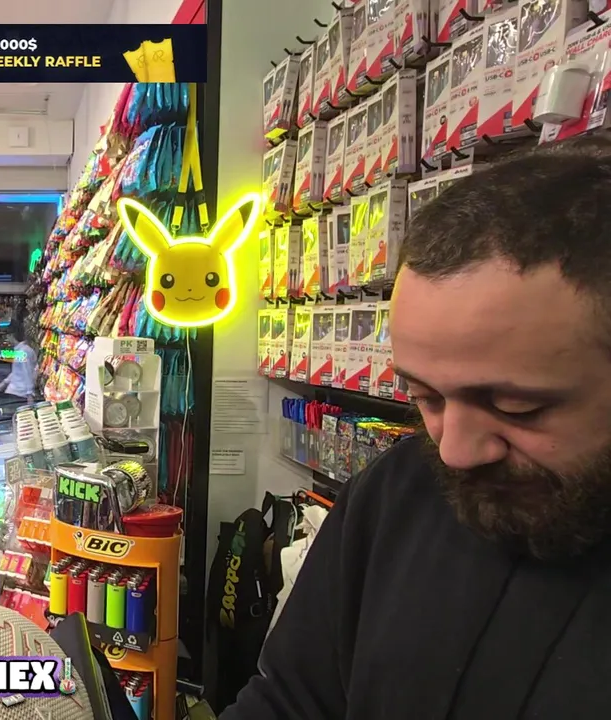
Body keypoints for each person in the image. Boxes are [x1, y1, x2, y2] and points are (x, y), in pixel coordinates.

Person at [222, 138, 611, 718]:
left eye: (516, 407)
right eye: (426, 398)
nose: (454, 451)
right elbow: (289, 701)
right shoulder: (395, 493)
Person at [0, 326, 37, 402]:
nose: (7, 339)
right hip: (15, 392)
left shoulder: (23, 352)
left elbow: (27, 372)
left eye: (7, 336)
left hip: (19, 394)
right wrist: (4, 383)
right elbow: (17, 371)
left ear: (12, 335)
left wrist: (29, 394)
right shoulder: (20, 351)